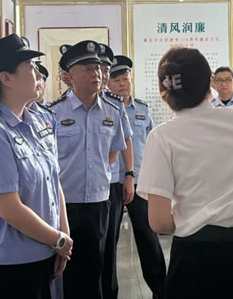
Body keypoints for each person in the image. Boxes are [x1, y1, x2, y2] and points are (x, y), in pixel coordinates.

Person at [137, 47, 233, 299]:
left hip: (194, 258)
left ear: (164, 90)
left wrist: (194, 218)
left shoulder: (161, 137)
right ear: (209, 82)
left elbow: (159, 222)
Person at [0, 34, 73, 299]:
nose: (38, 73)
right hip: (12, 264)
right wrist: (57, 239)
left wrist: (63, 235)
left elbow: (53, 181)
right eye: (30, 66)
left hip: (47, 250)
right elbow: (9, 209)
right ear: (6, 78)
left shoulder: (36, 122)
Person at [50, 40, 126, 299]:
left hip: (98, 202)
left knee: (96, 268)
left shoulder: (112, 111)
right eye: (87, 69)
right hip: (65, 204)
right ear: (70, 76)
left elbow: (113, 153)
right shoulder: (54, 113)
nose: (96, 74)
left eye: (97, 68)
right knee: (64, 270)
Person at [108, 55, 167, 299]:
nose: (123, 84)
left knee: (149, 239)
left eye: (126, 79)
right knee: (109, 243)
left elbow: (152, 144)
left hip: (141, 182)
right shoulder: (105, 109)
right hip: (112, 183)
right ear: (107, 83)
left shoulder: (142, 109)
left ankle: (161, 291)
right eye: (117, 80)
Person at [97, 43, 135, 299]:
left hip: (111, 183)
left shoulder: (114, 106)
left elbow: (123, 142)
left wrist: (128, 174)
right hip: (74, 191)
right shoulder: (60, 108)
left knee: (109, 244)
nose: (98, 75)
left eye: (102, 70)